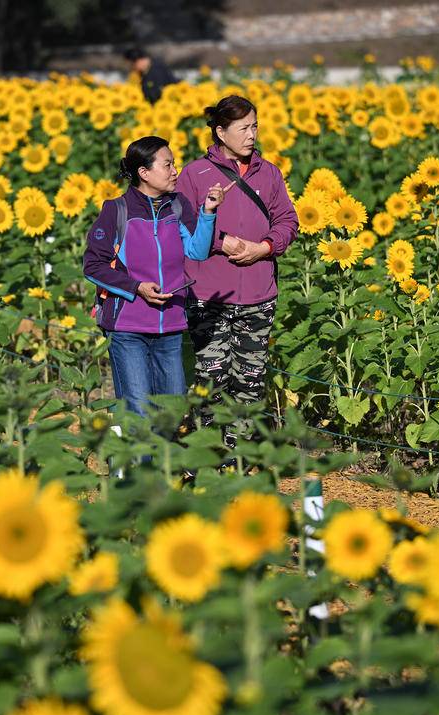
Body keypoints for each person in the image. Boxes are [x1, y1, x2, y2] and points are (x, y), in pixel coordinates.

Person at [175, 95, 299, 449]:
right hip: (208, 295)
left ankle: (239, 459)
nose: (251, 134)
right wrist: (222, 241)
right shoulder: (194, 174)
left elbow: (288, 220)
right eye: (243, 128)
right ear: (220, 132)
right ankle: (206, 456)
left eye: (255, 126)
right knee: (210, 379)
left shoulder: (269, 172)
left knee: (250, 383)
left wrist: (265, 247)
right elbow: (181, 221)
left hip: (259, 295)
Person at [84, 136, 231, 417]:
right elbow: (93, 265)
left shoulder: (178, 206)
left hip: (171, 326)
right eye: (168, 165)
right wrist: (136, 287)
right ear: (144, 172)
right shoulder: (117, 210)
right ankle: (132, 462)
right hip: (128, 327)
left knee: (171, 413)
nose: (175, 170)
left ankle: (164, 461)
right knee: (138, 413)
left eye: (174, 164)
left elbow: (197, 251)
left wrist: (209, 212)